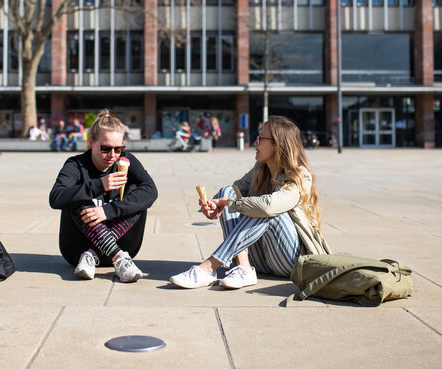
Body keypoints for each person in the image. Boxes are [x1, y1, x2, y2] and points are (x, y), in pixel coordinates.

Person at [169, 115, 331, 289]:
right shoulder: (261, 169)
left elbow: (268, 206)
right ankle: (243, 267)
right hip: (260, 259)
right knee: (228, 191)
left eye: (261, 138)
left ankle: (208, 267)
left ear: (278, 144)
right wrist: (215, 205)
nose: (255, 143)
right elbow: (233, 192)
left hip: (290, 261)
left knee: (266, 209)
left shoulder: (300, 175)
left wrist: (229, 204)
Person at [49, 110, 158, 282]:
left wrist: (109, 211)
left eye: (118, 149)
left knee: (138, 194)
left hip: (125, 244)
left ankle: (95, 253)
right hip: (77, 251)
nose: (113, 155)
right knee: (78, 197)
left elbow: (151, 191)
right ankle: (118, 257)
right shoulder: (76, 164)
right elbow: (56, 197)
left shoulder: (127, 161)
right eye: (106, 148)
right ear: (91, 142)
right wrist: (99, 185)